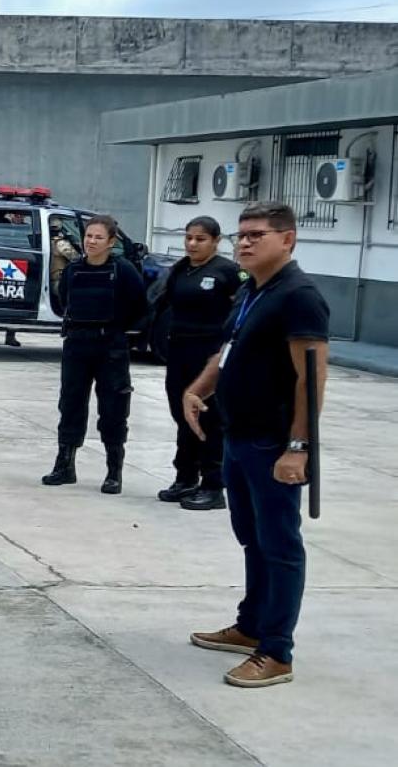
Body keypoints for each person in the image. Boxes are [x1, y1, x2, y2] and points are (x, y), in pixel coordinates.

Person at [183, 202, 328, 688]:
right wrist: (199, 389)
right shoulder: (252, 291)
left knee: (280, 545)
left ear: (287, 240)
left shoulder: (299, 296)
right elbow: (228, 351)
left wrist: (298, 447)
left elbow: (311, 378)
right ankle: (251, 626)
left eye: (257, 235)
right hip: (238, 436)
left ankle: (276, 650)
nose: (244, 242)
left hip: (273, 442)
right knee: (252, 537)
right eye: (240, 235)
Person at [41, 214, 147, 494]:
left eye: (99, 237)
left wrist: (119, 331)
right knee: (71, 404)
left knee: (113, 408)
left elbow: (140, 306)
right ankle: (65, 465)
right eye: (88, 236)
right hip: (77, 343)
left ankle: (114, 471)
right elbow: (65, 299)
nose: (91, 241)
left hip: (110, 347)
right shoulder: (73, 270)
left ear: (111, 242)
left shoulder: (123, 270)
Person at [155, 216, 244, 510]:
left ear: (216, 241)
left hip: (209, 353)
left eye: (200, 239)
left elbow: (240, 309)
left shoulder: (228, 272)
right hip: (179, 351)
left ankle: (213, 485)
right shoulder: (180, 270)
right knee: (182, 415)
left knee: (209, 418)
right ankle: (185, 477)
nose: (192, 244)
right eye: (189, 238)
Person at [48, 217, 80, 315]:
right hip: (58, 282)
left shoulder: (47, 241)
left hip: (52, 281)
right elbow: (76, 258)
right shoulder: (60, 243)